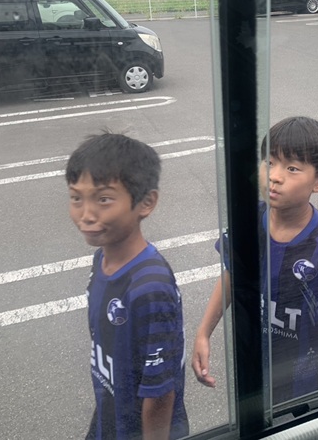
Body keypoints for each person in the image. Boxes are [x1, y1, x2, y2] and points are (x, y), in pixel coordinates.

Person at [191, 116, 318, 404]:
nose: (275, 176)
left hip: (311, 390)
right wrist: (203, 333)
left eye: (292, 168)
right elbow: (233, 274)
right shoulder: (248, 222)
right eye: (269, 162)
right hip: (258, 371)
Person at [66, 133, 188, 440]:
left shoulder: (150, 287)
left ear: (146, 202)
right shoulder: (101, 259)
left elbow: (160, 394)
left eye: (103, 199)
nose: (86, 214)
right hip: (110, 415)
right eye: (76, 198)